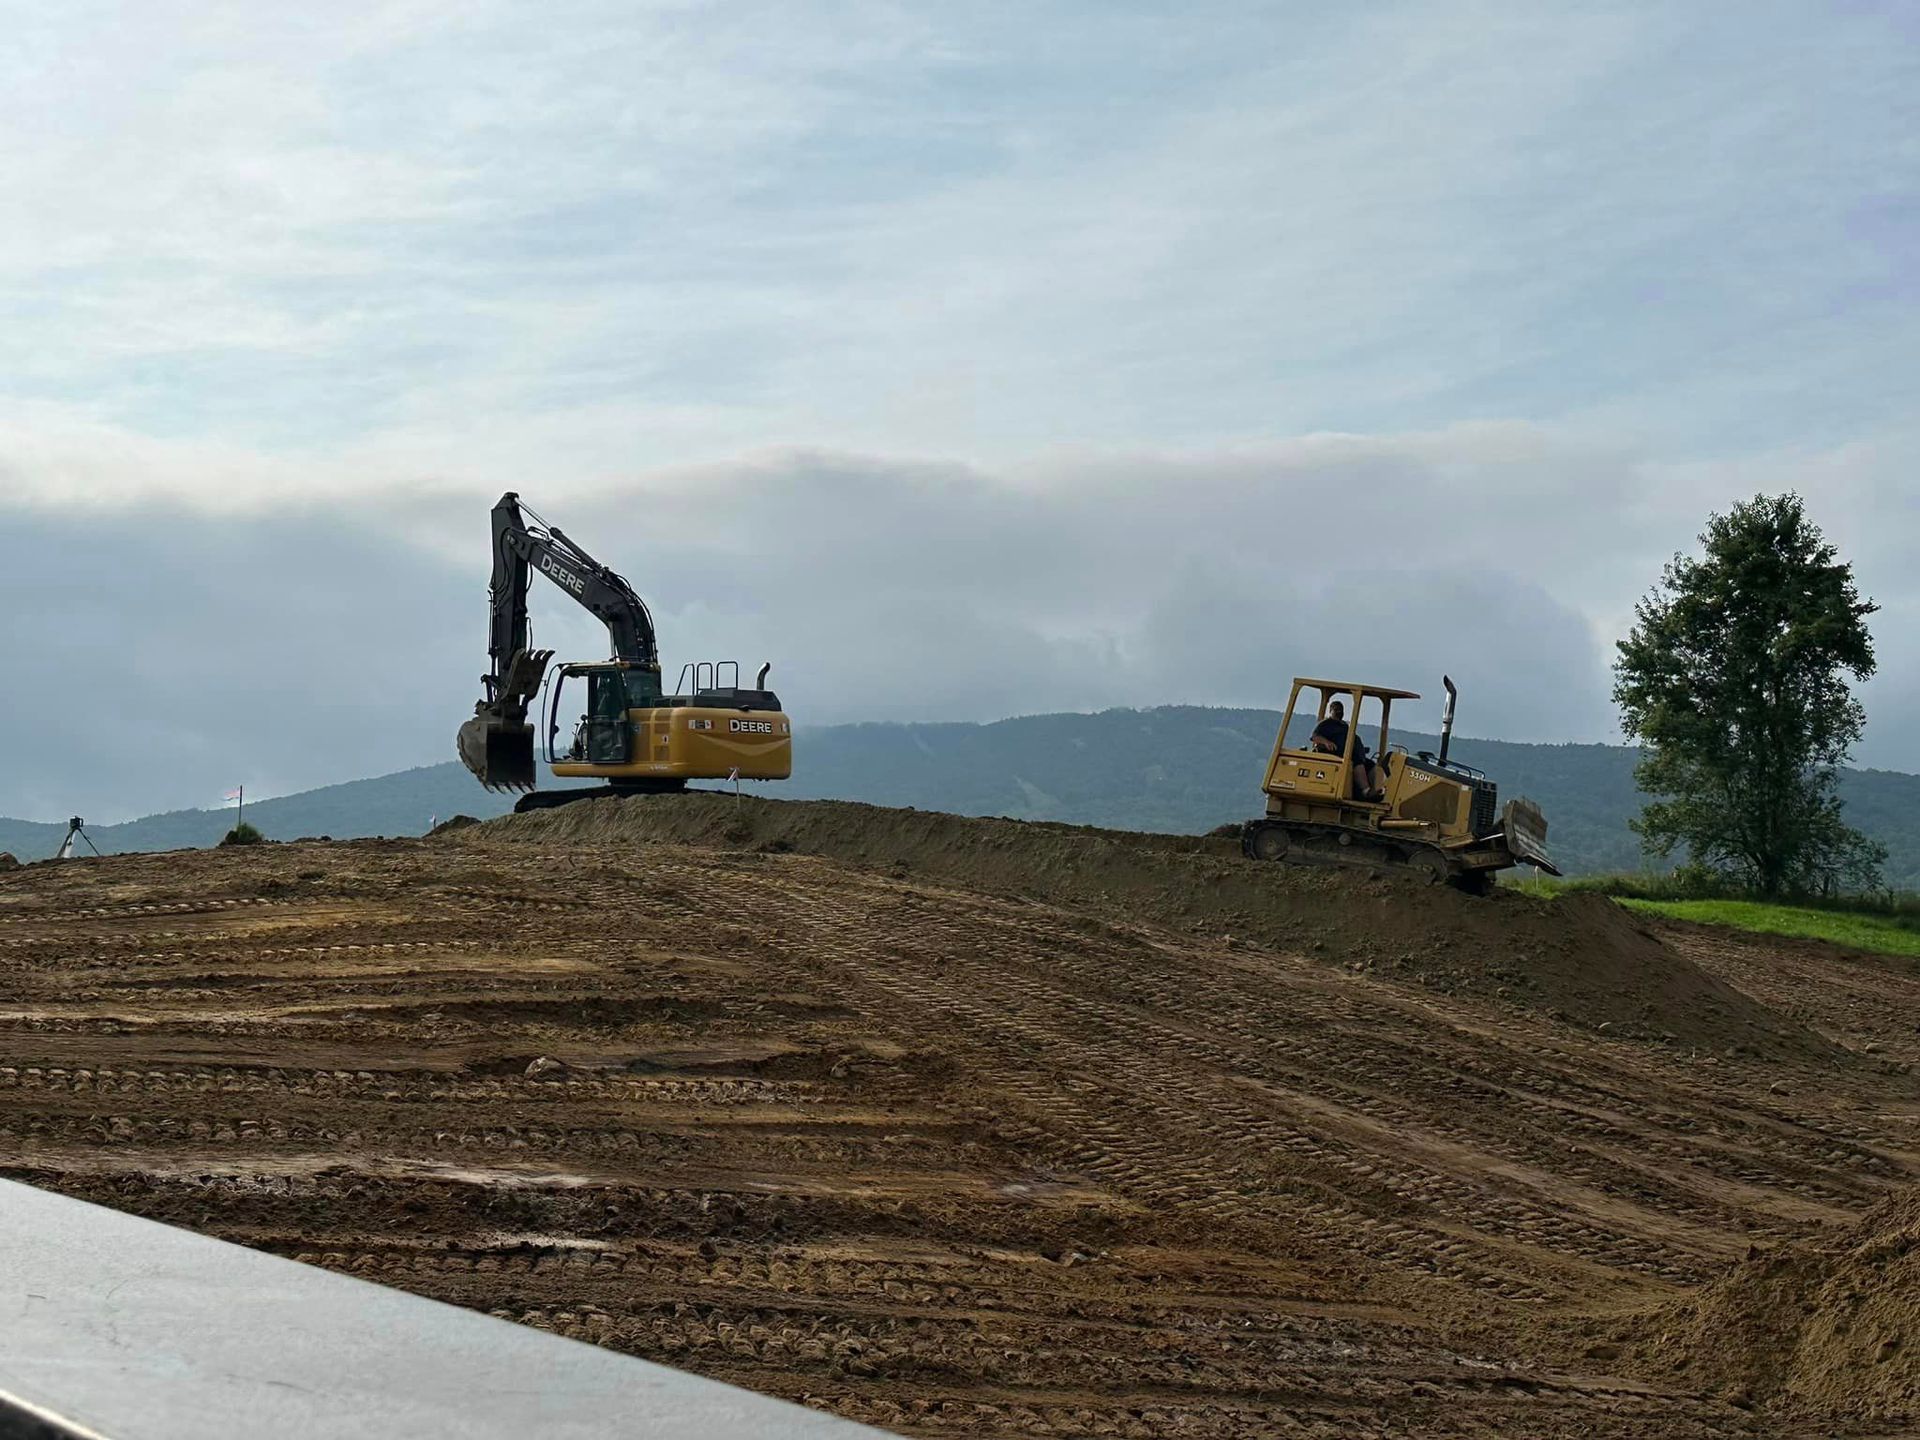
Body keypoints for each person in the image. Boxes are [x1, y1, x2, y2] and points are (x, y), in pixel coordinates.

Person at [1310, 699, 1385, 801]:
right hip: (1333, 754)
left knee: (1369, 764)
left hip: (1347, 752)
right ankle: (1365, 791)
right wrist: (1326, 742)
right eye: (1336, 709)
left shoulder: (1344, 726)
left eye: (1341, 710)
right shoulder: (1325, 724)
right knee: (1357, 762)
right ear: (1330, 710)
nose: (1339, 712)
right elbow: (1315, 737)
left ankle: (1375, 789)